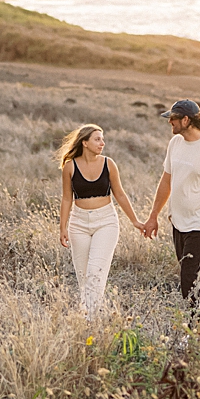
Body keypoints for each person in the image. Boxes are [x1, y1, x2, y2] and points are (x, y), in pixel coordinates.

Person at [142, 99, 200, 308]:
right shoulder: (175, 143)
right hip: (178, 221)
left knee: (189, 276)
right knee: (196, 273)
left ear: (186, 120)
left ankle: (196, 326)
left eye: (173, 118)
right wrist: (153, 216)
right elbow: (166, 181)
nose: (169, 122)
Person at [57, 123, 145, 319]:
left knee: (95, 272)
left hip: (106, 221)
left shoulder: (109, 164)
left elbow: (120, 194)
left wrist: (135, 221)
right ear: (85, 142)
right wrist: (62, 227)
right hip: (78, 223)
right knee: (83, 276)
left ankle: (89, 320)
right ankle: (90, 315)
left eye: (102, 139)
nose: (102, 143)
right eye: (97, 139)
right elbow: (66, 198)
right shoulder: (70, 167)